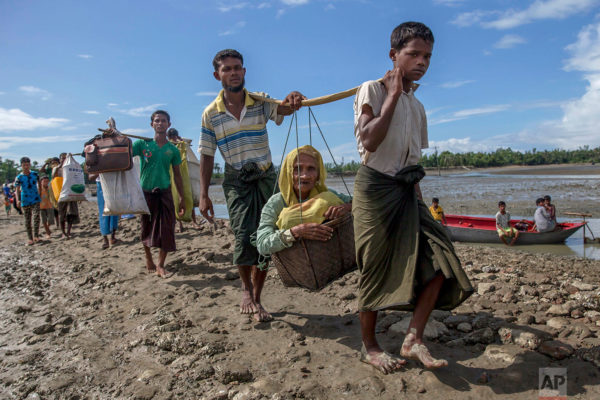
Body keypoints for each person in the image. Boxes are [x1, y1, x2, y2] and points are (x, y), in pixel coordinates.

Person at [352, 22, 473, 374]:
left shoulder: (418, 107)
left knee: (441, 260)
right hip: (375, 189)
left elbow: (412, 163)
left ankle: (413, 338)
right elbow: (370, 141)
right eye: (414, 54)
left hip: (407, 193)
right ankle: (370, 346)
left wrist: (421, 207)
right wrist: (391, 94)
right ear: (394, 55)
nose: (422, 62)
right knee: (374, 267)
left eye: (428, 56)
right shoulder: (371, 90)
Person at [199, 49, 305, 322]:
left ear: (244, 72)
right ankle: (245, 288)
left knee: (266, 236)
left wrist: (292, 97)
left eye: (237, 68)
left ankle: (257, 296)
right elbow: (207, 155)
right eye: (227, 69)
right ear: (217, 75)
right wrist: (203, 194)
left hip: (267, 176)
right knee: (244, 233)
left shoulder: (259, 101)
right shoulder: (211, 114)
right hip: (236, 181)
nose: (233, 73)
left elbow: (282, 108)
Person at [256, 145, 352, 259]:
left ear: (318, 175)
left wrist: (347, 207)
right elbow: (262, 244)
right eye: (297, 169)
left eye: (311, 168)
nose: (304, 175)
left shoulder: (327, 195)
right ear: (288, 173)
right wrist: (295, 232)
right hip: (298, 265)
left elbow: (362, 203)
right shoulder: (276, 202)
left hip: (331, 257)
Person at [132, 110, 186, 278]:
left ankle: (160, 265)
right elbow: (124, 155)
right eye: (157, 121)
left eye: (163, 121)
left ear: (169, 124)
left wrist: (182, 198)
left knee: (167, 228)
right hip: (146, 193)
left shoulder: (173, 150)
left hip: (165, 192)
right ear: (152, 124)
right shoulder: (142, 144)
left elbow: (177, 175)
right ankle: (148, 258)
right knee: (145, 227)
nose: (160, 123)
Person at [14, 157, 41, 245]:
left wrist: (40, 193)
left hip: (35, 198)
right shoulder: (19, 177)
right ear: (21, 166)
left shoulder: (35, 174)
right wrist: (18, 200)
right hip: (25, 199)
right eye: (24, 165)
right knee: (27, 219)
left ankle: (36, 236)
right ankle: (30, 238)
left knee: (36, 216)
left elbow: (39, 184)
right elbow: (17, 190)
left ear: (30, 165)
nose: (26, 167)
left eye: (27, 165)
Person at [52, 154, 80, 239]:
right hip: (61, 193)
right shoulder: (57, 168)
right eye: (62, 158)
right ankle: (63, 232)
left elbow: (77, 179)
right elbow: (54, 176)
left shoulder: (71, 168)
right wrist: (59, 166)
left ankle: (68, 231)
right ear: (60, 159)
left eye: (65, 158)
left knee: (71, 212)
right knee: (62, 213)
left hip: (71, 192)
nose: (64, 160)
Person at [89, 173, 120, 249]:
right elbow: (90, 177)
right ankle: (105, 239)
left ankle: (112, 237)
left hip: (113, 182)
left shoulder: (114, 160)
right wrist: (99, 171)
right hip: (101, 183)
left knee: (114, 211)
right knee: (103, 211)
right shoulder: (95, 161)